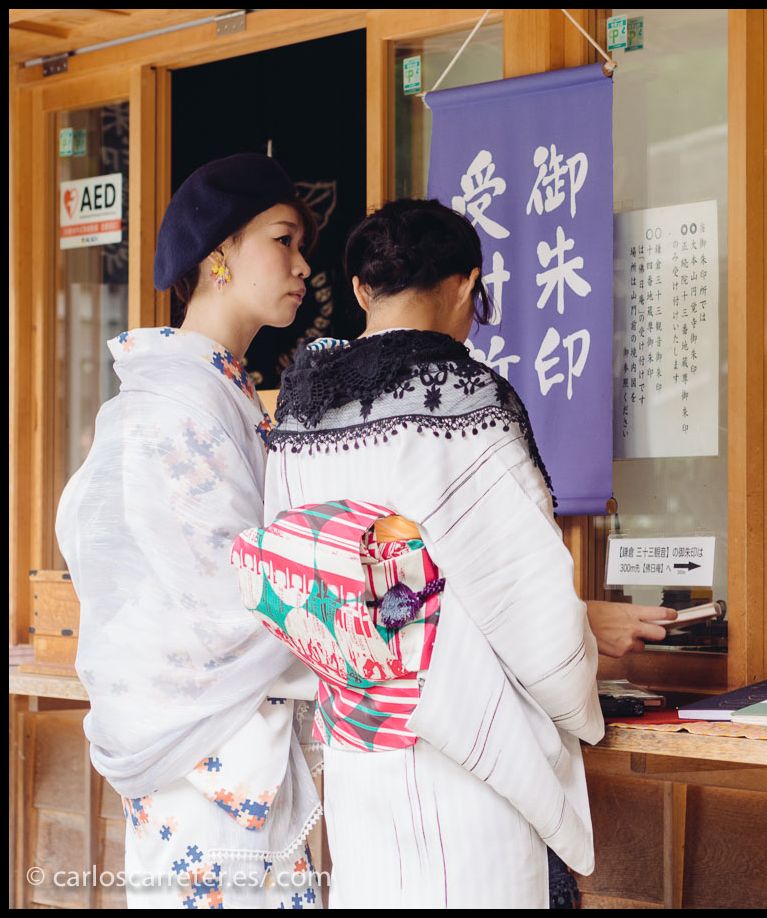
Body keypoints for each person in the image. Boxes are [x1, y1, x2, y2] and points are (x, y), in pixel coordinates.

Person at [263, 198, 604, 907]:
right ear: (465, 284)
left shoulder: (296, 415)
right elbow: (526, 599)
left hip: (360, 734)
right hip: (468, 743)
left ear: (359, 290)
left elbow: (292, 585)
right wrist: (578, 693)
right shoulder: (464, 401)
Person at [55, 153, 323, 908]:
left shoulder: (207, 391)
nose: (303, 265)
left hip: (225, 739)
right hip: (208, 750)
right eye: (284, 239)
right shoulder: (175, 406)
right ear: (219, 256)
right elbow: (231, 592)